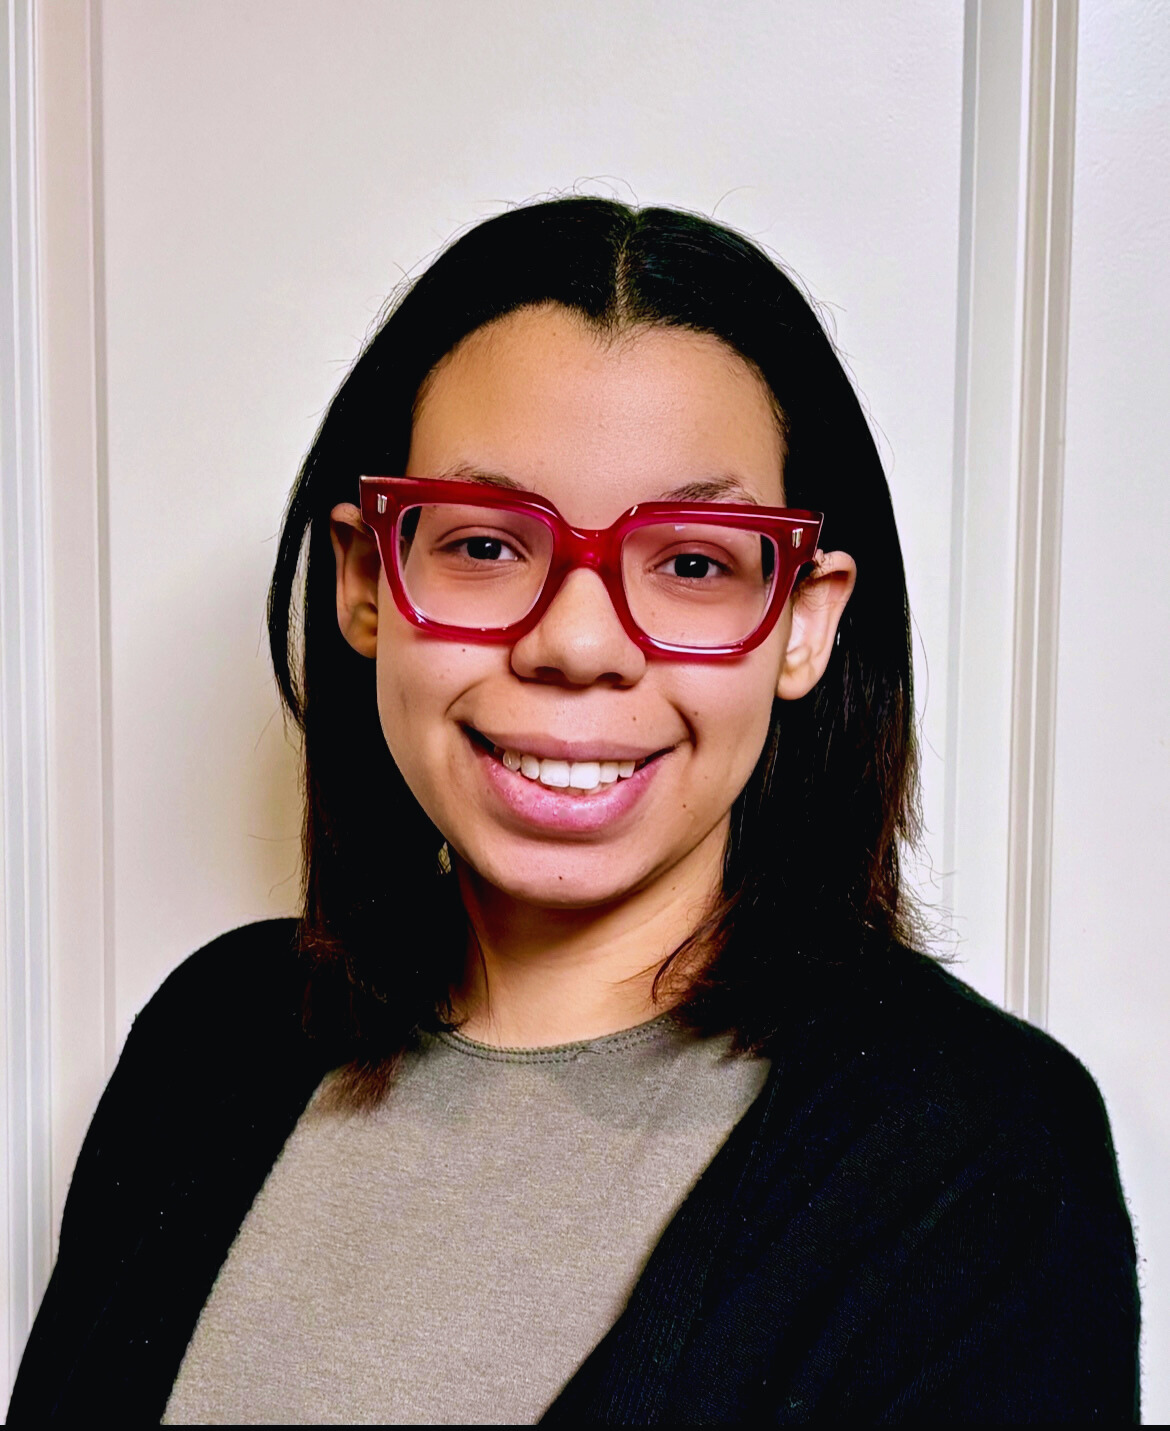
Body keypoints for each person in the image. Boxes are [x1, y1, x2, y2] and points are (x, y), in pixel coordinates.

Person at [8, 198, 1139, 1424]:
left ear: (805, 621)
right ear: (365, 581)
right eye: (487, 545)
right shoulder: (210, 1041)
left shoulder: (979, 1164)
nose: (577, 642)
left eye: (696, 561)